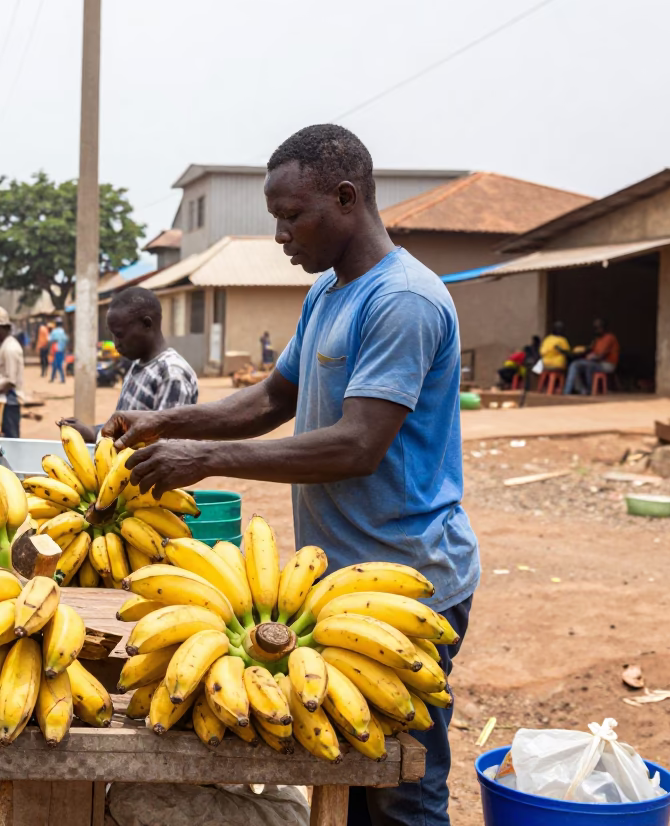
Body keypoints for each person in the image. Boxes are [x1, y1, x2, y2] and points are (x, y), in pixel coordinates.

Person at [102, 125, 477, 826]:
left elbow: (358, 444)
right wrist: (170, 423)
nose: (281, 235)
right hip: (336, 585)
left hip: (408, 579)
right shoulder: (328, 296)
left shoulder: (403, 300)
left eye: (291, 216)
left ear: (346, 198)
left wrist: (205, 460)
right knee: (346, 769)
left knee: (401, 789)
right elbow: (272, 401)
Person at [59, 287, 199, 442]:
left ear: (147, 324)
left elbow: (165, 446)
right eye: (112, 335)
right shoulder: (138, 364)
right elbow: (125, 429)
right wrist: (94, 432)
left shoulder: (172, 374)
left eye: (119, 335)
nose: (115, 343)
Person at [0, 307, 24, 438]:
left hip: (8, 402)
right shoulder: (4, 345)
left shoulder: (10, 348)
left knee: (11, 441)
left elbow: (9, 380)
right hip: (2, 401)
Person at [565, 318, 619, 395]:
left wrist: (591, 357)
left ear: (603, 328)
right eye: (595, 328)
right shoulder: (597, 339)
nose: (596, 330)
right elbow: (591, 350)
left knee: (587, 366)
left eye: (598, 328)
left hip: (607, 364)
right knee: (575, 365)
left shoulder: (610, 338)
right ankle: (579, 389)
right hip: (597, 363)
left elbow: (601, 356)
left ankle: (589, 389)